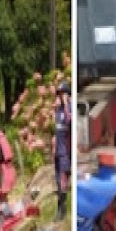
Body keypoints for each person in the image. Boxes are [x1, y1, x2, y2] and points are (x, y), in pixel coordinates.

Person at [53, 80, 72, 221]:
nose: (60, 97)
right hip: (58, 153)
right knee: (58, 181)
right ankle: (59, 207)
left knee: (63, 179)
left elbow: (70, 121)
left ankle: (62, 209)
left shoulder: (68, 110)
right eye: (59, 95)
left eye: (62, 94)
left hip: (65, 152)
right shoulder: (58, 112)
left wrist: (66, 104)